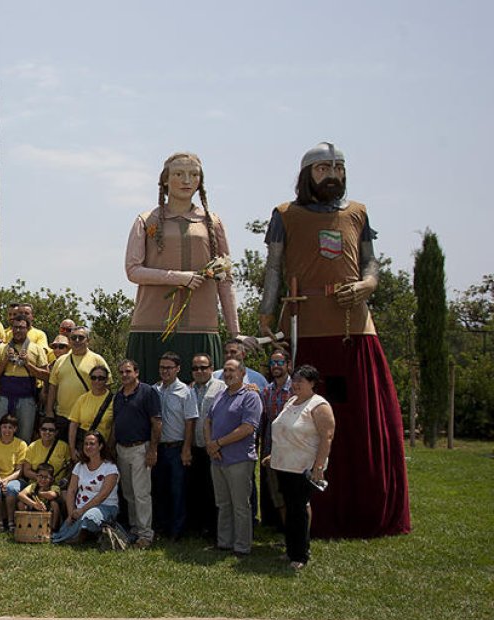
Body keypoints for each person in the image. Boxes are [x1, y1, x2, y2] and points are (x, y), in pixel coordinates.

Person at [259, 141, 410, 539]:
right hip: (304, 326)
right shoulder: (285, 214)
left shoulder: (357, 212)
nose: (332, 175)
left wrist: (367, 285)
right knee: (303, 420)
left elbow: (370, 262)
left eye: (338, 167)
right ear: (307, 174)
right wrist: (266, 315)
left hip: (355, 329)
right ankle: (308, 511)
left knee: (362, 421)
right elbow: (273, 268)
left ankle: (368, 508)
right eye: (323, 168)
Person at [125, 153, 239, 385]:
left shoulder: (212, 222)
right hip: (150, 329)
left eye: (194, 174)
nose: (187, 180)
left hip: (202, 329)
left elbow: (225, 279)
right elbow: (133, 270)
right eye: (179, 174)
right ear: (165, 179)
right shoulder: (146, 220)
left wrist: (235, 333)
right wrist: (178, 277)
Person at [269, 365, 335, 570]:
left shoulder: (319, 405)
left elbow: (327, 437)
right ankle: (291, 549)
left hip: (303, 467)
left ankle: (300, 554)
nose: (296, 384)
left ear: (312, 383)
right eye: (295, 380)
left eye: (301, 381)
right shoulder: (291, 401)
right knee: (289, 509)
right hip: (284, 466)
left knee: (299, 511)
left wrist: (319, 466)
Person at [205, 358, 262, 556]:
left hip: (239, 459)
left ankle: (242, 546)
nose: (228, 374)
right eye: (226, 371)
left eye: (232, 370)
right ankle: (224, 542)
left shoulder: (250, 397)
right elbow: (208, 421)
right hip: (217, 459)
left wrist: (219, 443)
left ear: (242, 373)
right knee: (223, 504)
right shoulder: (220, 395)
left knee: (240, 505)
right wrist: (210, 445)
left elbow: (248, 427)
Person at [113, 359, 162, 549]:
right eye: (121, 372)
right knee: (128, 492)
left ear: (136, 372)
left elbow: (157, 422)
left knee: (141, 493)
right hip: (122, 448)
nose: (124, 375)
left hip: (140, 448)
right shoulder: (118, 395)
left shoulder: (148, 392)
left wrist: (153, 449)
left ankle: (145, 534)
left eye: (128, 371)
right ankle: (134, 529)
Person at [153, 351, 199, 539]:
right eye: (162, 367)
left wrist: (186, 449)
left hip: (176, 447)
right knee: (160, 489)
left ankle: (177, 530)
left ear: (178, 369)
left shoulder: (186, 392)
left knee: (177, 490)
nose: (165, 371)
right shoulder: (155, 390)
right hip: (159, 448)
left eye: (169, 368)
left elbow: (190, 422)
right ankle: (162, 527)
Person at [51, 431, 121, 545]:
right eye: (86, 444)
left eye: (92, 444)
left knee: (90, 517)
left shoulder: (110, 468)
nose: (88, 447)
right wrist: (71, 514)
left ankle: (83, 535)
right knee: (69, 525)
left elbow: (102, 495)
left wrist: (82, 510)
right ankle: (88, 533)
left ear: (100, 446)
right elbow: (71, 491)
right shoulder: (79, 466)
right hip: (79, 509)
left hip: (105, 506)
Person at [0, 316, 49, 443]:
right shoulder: (2, 348)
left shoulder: (36, 349)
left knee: (24, 436)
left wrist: (28, 364)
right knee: (0, 435)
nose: (18, 330)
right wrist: (5, 361)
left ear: (27, 329)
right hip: (4, 397)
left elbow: (46, 375)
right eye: (15, 327)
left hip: (26, 399)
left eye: (21, 327)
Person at [45, 326, 110, 442]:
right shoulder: (60, 360)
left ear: (88, 340)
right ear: (69, 341)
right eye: (74, 338)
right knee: (61, 450)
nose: (77, 340)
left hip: (86, 418)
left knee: (84, 451)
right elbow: (53, 387)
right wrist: (49, 410)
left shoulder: (97, 360)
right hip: (62, 416)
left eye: (81, 337)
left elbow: (107, 386)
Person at [188, 352, 226, 540]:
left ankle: (214, 529)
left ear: (211, 368)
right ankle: (198, 526)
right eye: (195, 368)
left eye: (203, 367)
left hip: (213, 448)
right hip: (194, 447)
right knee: (196, 489)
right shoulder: (189, 389)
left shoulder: (221, 388)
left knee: (214, 491)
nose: (199, 371)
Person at [258, 348, 293, 527]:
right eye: (272, 363)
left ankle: (298, 534)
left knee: (293, 494)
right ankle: (286, 531)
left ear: (288, 365)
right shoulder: (267, 391)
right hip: (271, 449)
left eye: (280, 362)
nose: (276, 366)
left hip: (293, 449)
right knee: (277, 494)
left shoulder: (296, 389)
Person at [0, 414, 27, 532]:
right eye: (4, 427)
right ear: (0, 428)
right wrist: (0, 481)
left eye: (10, 427)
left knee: (12, 488)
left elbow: (19, 470)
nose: (7, 430)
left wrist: (7, 480)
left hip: (15, 478)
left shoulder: (21, 444)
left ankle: (10, 521)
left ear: (15, 429)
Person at [66, 364, 115, 459]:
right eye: (94, 378)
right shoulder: (82, 399)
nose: (97, 381)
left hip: (103, 449)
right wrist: (72, 449)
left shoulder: (114, 400)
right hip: (84, 447)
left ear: (106, 380)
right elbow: (73, 425)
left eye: (101, 378)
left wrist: (110, 447)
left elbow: (114, 426)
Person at [23, 419, 70, 489]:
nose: (47, 432)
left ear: (56, 432)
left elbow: (71, 466)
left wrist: (66, 479)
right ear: (40, 430)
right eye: (44, 429)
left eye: (51, 430)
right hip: (35, 485)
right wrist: (43, 480)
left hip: (56, 486)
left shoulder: (64, 446)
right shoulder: (32, 447)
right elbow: (26, 471)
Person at [17, 464, 62, 532]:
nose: (43, 479)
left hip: (48, 511)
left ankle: (52, 529)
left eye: (46, 477)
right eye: (40, 476)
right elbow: (20, 495)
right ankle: (26, 527)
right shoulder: (33, 486)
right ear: (36, 476)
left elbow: (51, 495)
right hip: (35, 508)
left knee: (54, 504)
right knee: (20, 504)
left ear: (51, 479)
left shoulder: (54, 487)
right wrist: (34, 504)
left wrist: (38, 493)